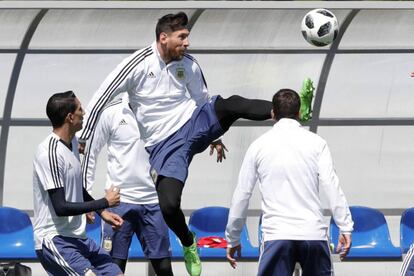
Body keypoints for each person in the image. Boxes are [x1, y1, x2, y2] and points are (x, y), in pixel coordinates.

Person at [78, 12, 312, 276]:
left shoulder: (189, 65)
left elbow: (203, 101)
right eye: (182, 37)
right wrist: (85, 135)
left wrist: (215, 136)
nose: (187, 43)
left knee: (230, 104)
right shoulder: (137, 65)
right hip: (163, 146)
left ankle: (290, 112)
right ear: (163, 37)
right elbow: (102, 94)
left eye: (188, 36)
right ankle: (188, 242)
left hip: (192, 123)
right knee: (168, 204)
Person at [225, 89, 354, 276]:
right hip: (313, 233)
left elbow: (242, 194)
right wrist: (345, 226)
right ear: (299, 113)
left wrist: (233, 237)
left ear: (272, 114)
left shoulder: (258, 146)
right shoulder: (317, 143)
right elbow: (331, 185)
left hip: (276, 235)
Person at [33, 91, 125, 276]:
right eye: (80, 109)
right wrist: (104, 202)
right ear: (70, 117)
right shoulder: (48, 153)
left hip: (79, 238)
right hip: (55, 239)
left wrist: (103, 212)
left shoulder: (73, 142)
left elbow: (76, 187)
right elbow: (60, 207)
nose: (84, 113)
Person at [82, 93, 173, 275]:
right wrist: (87, 202)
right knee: (113, 268)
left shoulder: (162, 110)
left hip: (153, 200)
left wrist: (213, 138)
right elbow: (90, 153)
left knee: (164, 269)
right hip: (118, 202)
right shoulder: (111, 112)